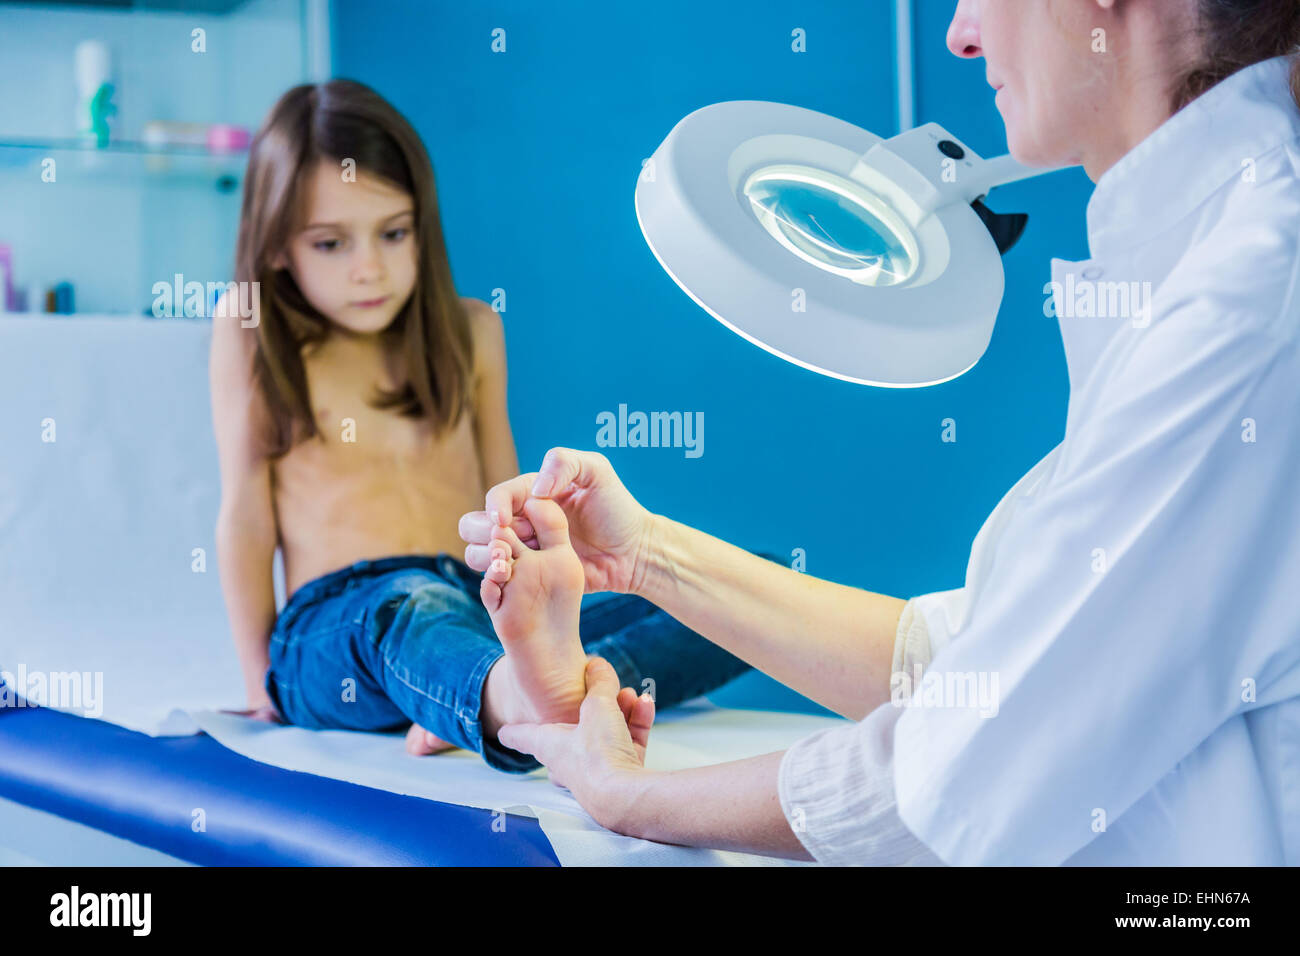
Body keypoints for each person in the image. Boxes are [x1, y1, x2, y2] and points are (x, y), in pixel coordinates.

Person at [460, 0, 1300, 863]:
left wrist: (622, 793)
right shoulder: (1210, 273)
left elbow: (956, 773)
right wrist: (645, 556)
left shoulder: (1247, 311)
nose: (960, 33)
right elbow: (974, 664)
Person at [209, 79, 754, 773]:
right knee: (408, 607)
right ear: (278, 247)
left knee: (732, 594)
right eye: (330, 244)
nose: (369, 267)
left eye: (393, 232)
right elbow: (245, 517)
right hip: (340, 624)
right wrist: (261, 681)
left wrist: (540, 600)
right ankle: (507, 695)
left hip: (475, 611)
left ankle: (505, 689)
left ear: (422, 226)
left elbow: (509, 501)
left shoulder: (470, 332)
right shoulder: (254, 328)